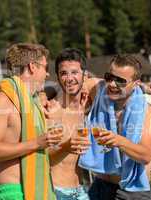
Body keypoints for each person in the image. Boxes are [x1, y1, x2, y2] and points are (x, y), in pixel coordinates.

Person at [0, 43, 63, 200]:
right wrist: (37, 143)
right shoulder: (1, 102)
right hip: (13, 193)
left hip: (42, 190)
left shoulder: (35, 104)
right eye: (45, 68)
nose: (47, 75)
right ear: (32, 66)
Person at [79, 54, 151, 200]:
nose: (112, 84)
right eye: (109, 77)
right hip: (101, 184)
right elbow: (71, 86)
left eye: (120, 81)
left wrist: (117, 140)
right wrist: (44, 96)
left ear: (135, 84)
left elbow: (146, 155)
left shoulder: (148, 113)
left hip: (132, 191)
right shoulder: (99, 89)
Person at [47, 48, 91, 200]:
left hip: (83, 190)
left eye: (74, 72)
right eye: (64, 73)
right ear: (58, 77)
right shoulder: (51, 110)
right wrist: (66, 146)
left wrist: (145, 88)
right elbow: (42, 156)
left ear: (84, 75)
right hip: (57, 191)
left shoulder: (86, 106)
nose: (69, 78)